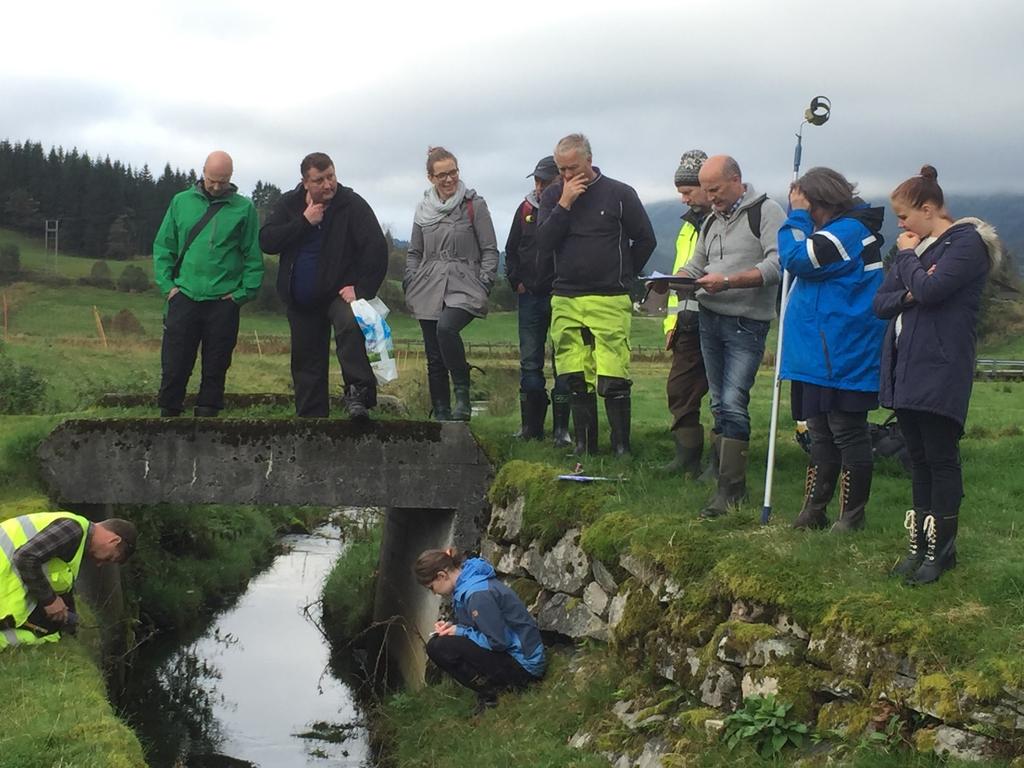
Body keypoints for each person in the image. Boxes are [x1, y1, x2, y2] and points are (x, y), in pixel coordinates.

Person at [873, 165, 1001, 585]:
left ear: (928, 209)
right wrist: (914, 283)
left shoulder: (966, 244)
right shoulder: (920, 249)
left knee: (941, 457)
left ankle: (943, 552)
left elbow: (933, 291)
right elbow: (882, 302)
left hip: (941, 365)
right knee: (918, 458)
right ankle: (920, 547)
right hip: (906, 364)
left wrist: (909, 260)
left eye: (905, 216)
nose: (901, 226)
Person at [777, 167, 887, 531]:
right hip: (820, 352)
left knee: (846, 429)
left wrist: (794, 215)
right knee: (820, 429)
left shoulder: (848, 232)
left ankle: (851, 517)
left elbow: (796, 259)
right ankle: (815, 510)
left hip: (840, 351)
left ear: (816, 200)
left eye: (803, 200)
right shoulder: (837, 231)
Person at [678, 155, 785, 517]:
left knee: (734, 401)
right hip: (710, 318)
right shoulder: (711, 219)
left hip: (746, 322)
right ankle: (720, 474)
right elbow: (698, 263)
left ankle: (732, 491)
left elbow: (778, 264)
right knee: (718, 401)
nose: (710, 197)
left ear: (737, 180)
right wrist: (676, 279)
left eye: (715, 189)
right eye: (706, 191)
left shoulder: (767, 213)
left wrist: (728, 282)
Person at [536, 133, 656, 456]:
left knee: (613, 375)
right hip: (566, 297)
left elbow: (645, 239)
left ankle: (621, 448)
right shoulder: (551, 197)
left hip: (610, 297)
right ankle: (583, 445)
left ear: (589, 160)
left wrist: (624, 274)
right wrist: (564, 203)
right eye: (561, 170)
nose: (566, 176)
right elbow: (543, 244)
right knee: (574, 375)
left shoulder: (619, 193)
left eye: (572, 168)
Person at [259, 152, 388, 420]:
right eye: (320, 180)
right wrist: (304, 221)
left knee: (350, 326)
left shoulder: (352, 204)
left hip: (339, 294)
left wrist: (361, 289)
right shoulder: (289, 204)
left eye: (331, 176)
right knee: (306, 361)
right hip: (301, 299)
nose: (328, 185)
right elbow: (267, 241)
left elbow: (376, 250)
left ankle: (358, 398)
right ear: (305, 182)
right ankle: (311, 419)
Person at [153, 151, 264, 418]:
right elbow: (163, 247)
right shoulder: (180, 202)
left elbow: (252, 254)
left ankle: (208, 419)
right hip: (184, 296)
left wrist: (242, 294)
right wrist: (168, 287)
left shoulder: (244, 208)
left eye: (223, 181)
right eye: (212, 179)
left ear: (231, 177)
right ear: (202, 172)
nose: (216, 186)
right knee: (174, 363)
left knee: (216, 366)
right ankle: (167, 417)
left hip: (223, 301)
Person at [405, 147, 499, 422]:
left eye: (453, 173)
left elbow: (490, 249)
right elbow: (414, 252)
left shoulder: (474, 205)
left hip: (465, 285)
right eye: (442, 175)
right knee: (434, 356)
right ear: (430, 177)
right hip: (426, 287)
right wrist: (410, 280)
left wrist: (485, 283)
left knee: (447, 328)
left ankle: (463, 397)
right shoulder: (422, 210)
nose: (449, 180)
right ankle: (442, 416)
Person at [414, 548, 545, 715]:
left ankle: (495, 692)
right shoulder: (468, 580)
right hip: (520, 652)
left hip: (525, 666)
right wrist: (453, 628)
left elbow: (498, 642)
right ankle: (495, 687)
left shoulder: (477, 595)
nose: (433, 592)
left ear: (441, 575)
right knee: (441, 642)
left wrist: (460, 632)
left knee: (438, 647)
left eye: (431, 587)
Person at [505, 155, 572, 445]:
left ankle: (561, 431)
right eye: (537, 180)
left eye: (546, 180)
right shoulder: (524, 209)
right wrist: (515, 282)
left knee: (565, 364)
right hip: (530, 295)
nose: (540, 185)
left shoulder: (569, 208)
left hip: (562, 296)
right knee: (530, 363)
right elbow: (510, 250)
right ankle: (530, 427)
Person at [653, 150, 712, 477]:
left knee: (722, 396)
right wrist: (671, 323)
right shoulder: (686, 228)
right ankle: (686, 458)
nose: (683, 199)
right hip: (687, 324)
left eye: (688, 192)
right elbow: (679, 278)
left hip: (719, 321)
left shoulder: (725, 223)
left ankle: (720, 465)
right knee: (679, 389)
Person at [1, 512, 137, 650]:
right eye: (109, 558)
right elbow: (25, 557)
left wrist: (69, 620)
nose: (99, 564)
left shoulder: (75, 535)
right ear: (114, 541)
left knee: (51, 633)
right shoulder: (72, 529)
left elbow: (58, 584)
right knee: (44, 634)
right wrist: (50, 600)